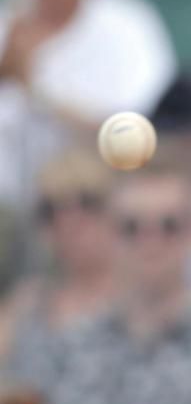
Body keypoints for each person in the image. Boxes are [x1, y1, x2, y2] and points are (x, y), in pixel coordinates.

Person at [3, 159, 191, 404]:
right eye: (132, 227)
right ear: (110, 233)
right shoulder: (64, 353)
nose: (151, 242)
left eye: (169, 226)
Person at [0, 0, 175, 207]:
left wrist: (35, 91)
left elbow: (139, 141)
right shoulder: (8, 20)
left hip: (100, 206)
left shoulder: (127, 24)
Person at [0, 151, 117, 369]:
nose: (68, 221)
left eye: (87, 202)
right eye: (50, 209)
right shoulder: (26, 303)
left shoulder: (142, 301)